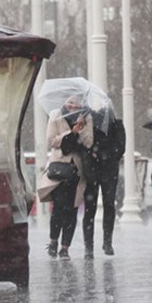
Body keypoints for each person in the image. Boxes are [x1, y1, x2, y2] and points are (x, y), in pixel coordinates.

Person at [45, 96, 94, 260]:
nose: (73, 106)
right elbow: (51, 141)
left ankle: (65, 248)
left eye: (77, 103)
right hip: (60, 167)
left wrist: (81, 129)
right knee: (58, 207)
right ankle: (53, 241)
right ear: (65, 102)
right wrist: (70, 132)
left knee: (72, 209)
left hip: (77, 170)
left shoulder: (86, 117)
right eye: (70, 102)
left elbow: (88, 142)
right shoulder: (55, 115)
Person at [81, 110, 126, 259]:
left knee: (109, 204)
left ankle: (107, 242)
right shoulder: (89, 123)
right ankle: (89, 247)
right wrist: (93, 154)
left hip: (109, 170)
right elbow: (85, 147)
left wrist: (102, 154)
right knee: (90, 208)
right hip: (92, 170)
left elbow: (121, 148)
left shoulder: (117, 125)